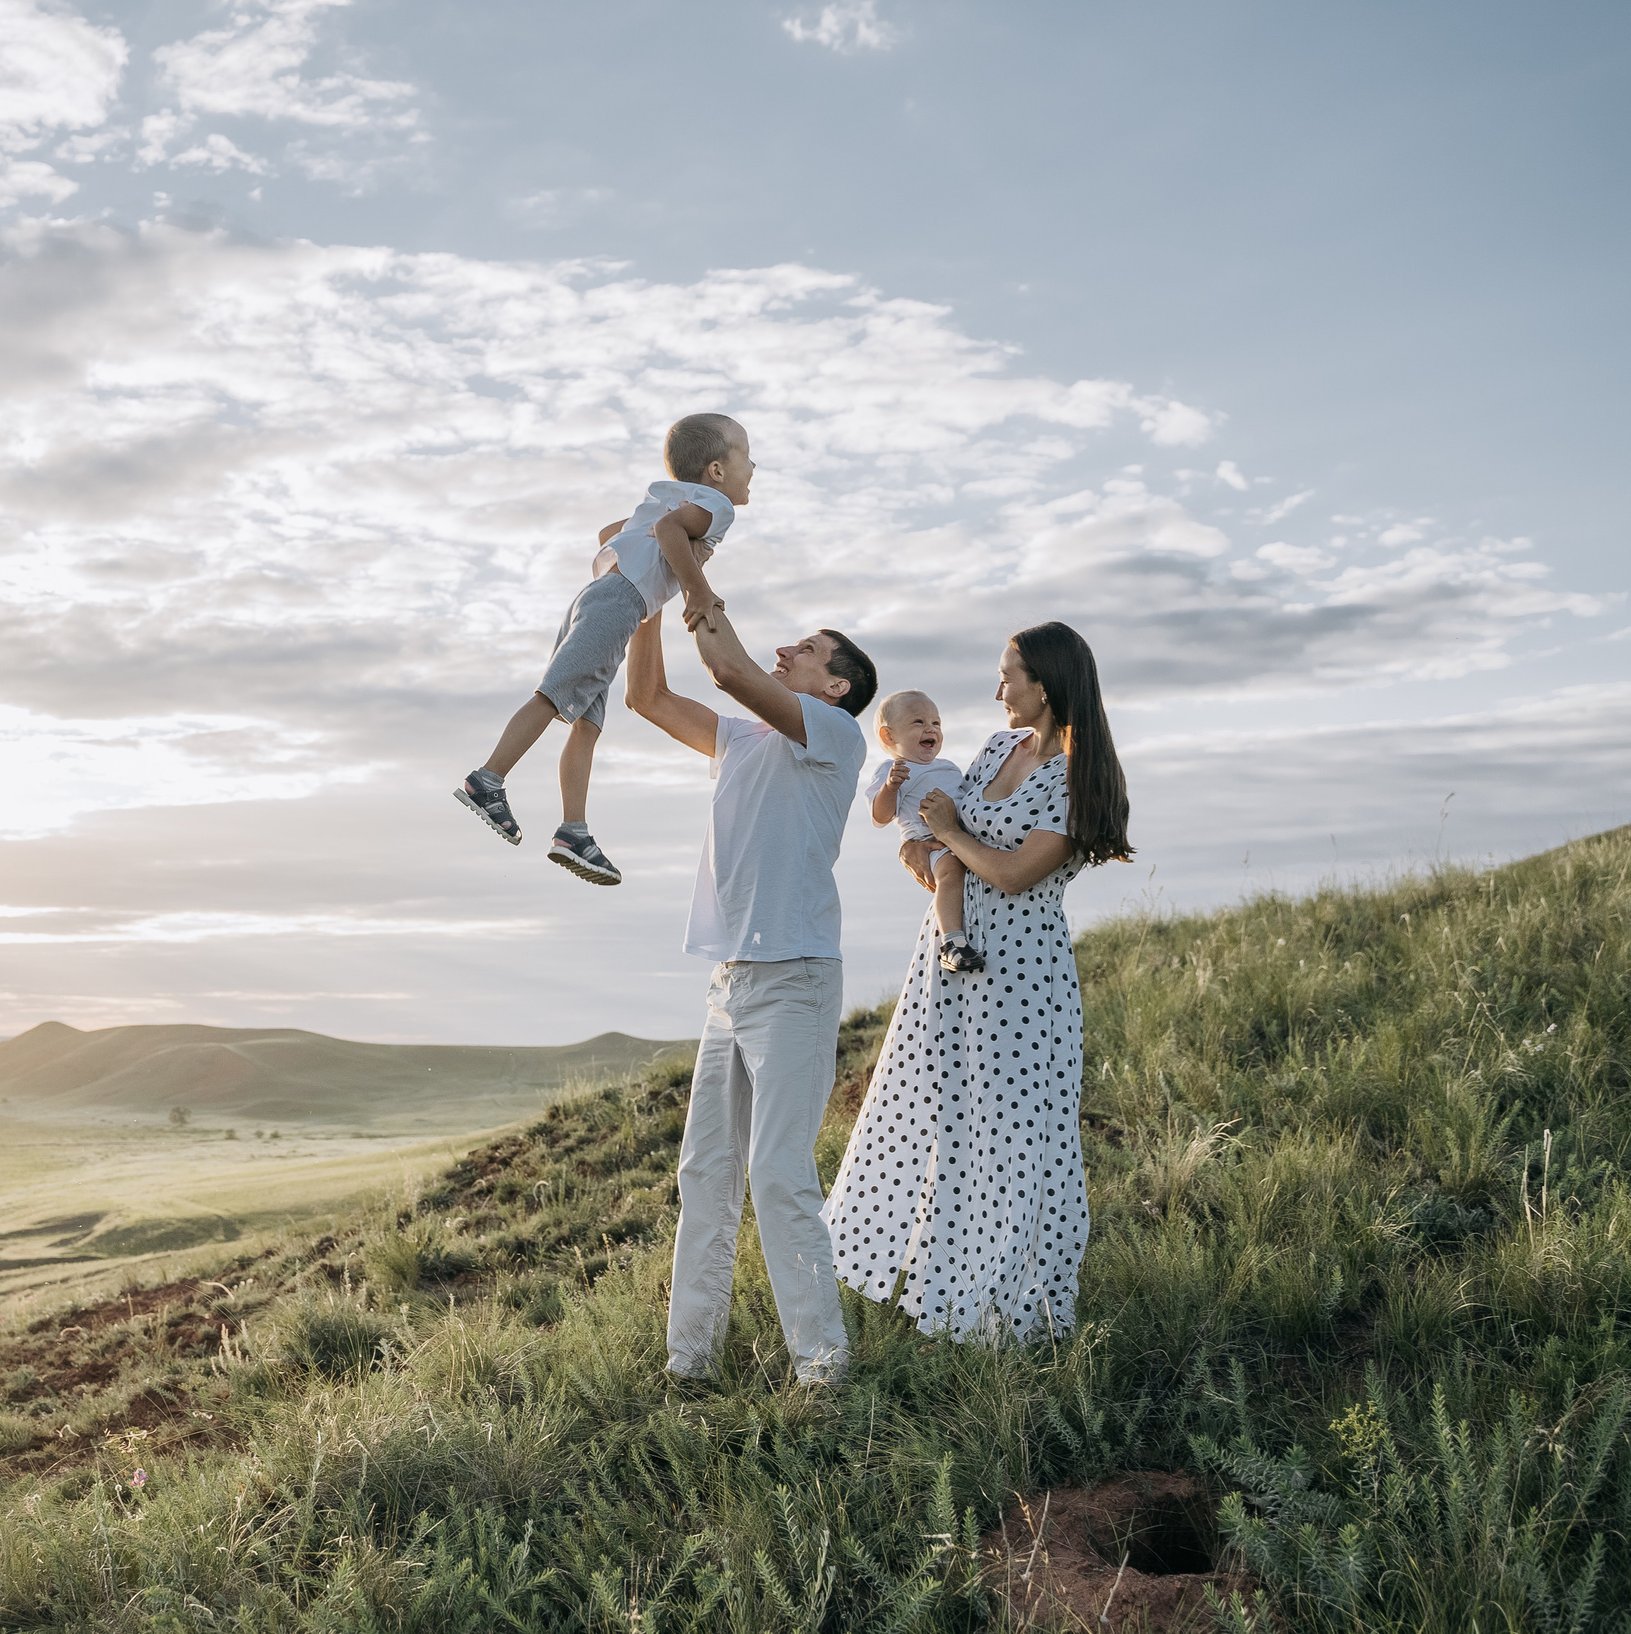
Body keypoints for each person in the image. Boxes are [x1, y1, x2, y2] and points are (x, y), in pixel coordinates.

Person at [819, 621, 1132, 1344]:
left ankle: (1024, 1314)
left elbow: (1020, 872)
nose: (997, 692)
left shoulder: (1077, 774)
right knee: (948, 1124)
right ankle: (953, 1302)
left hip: (1021, 980)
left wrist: (949, 837)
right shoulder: (998, 748)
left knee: (1018, 1141)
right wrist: (925, 854)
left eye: (1007, 676)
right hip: (948, 966)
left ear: (1045, 685)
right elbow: (930, 839)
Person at [624, 596, 876, 1387]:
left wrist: (688, 564)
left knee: (776, 1172)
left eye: (806, 648)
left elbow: (729, 667)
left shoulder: (833, 733)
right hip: (729, 984)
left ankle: (823, 1367)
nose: (786, 649)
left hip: (795, 979)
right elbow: (647, 698)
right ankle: (688, 1362)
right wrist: (642, 601)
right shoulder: (743, 737)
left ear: (834, 686)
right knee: (705, 1171)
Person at [453, 414, 752, 886]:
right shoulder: (717, 506)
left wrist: (661, 567)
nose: (753, 467)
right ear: (716, 471)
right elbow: (671, 531)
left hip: (600, 598)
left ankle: (574, 831)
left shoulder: (670, 497)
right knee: (553, 695)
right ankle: (488, 779)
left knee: (587, 722)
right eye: (746, 456)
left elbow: (612, 533)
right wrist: (695, 587)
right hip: (618, 602)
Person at [867, 690, 979, 973]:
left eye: (936, 723)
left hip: (959, 837)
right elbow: (881, 817)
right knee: (950, 874)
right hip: (927, 842)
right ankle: (952, 943)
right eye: (918, 722)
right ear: (889, 737)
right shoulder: (894, 770)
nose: (931, 729)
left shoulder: (950, 768)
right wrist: (891, 787)